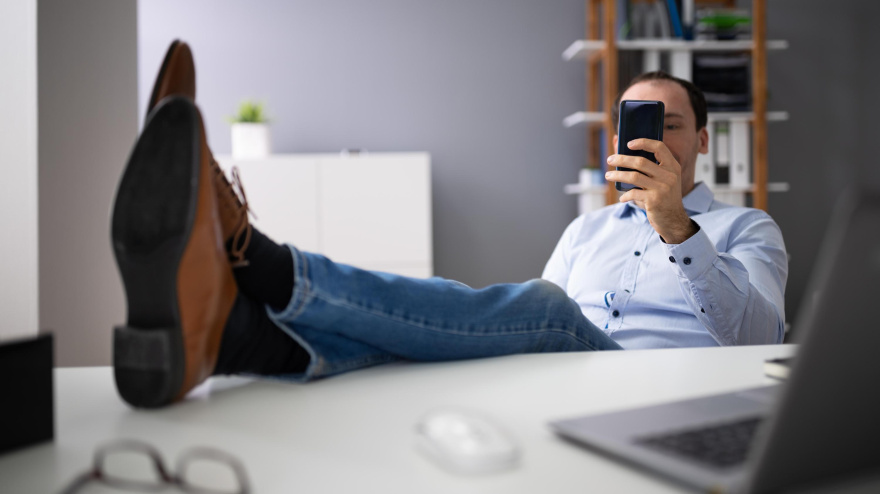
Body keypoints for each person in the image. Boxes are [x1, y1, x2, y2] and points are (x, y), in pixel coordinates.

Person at [110, 41, 786, 409]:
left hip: (663, 396)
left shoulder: (747, 229)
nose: (652, 142)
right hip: (568, 387)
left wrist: (675, 224)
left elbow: (756, 340)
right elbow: (517, 327)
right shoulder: (590, 230)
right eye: (635, 126)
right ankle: (240, 341)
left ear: (702, 138)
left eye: (666, 127)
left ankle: (257, 261)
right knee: (491, 326)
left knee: (547, 309)